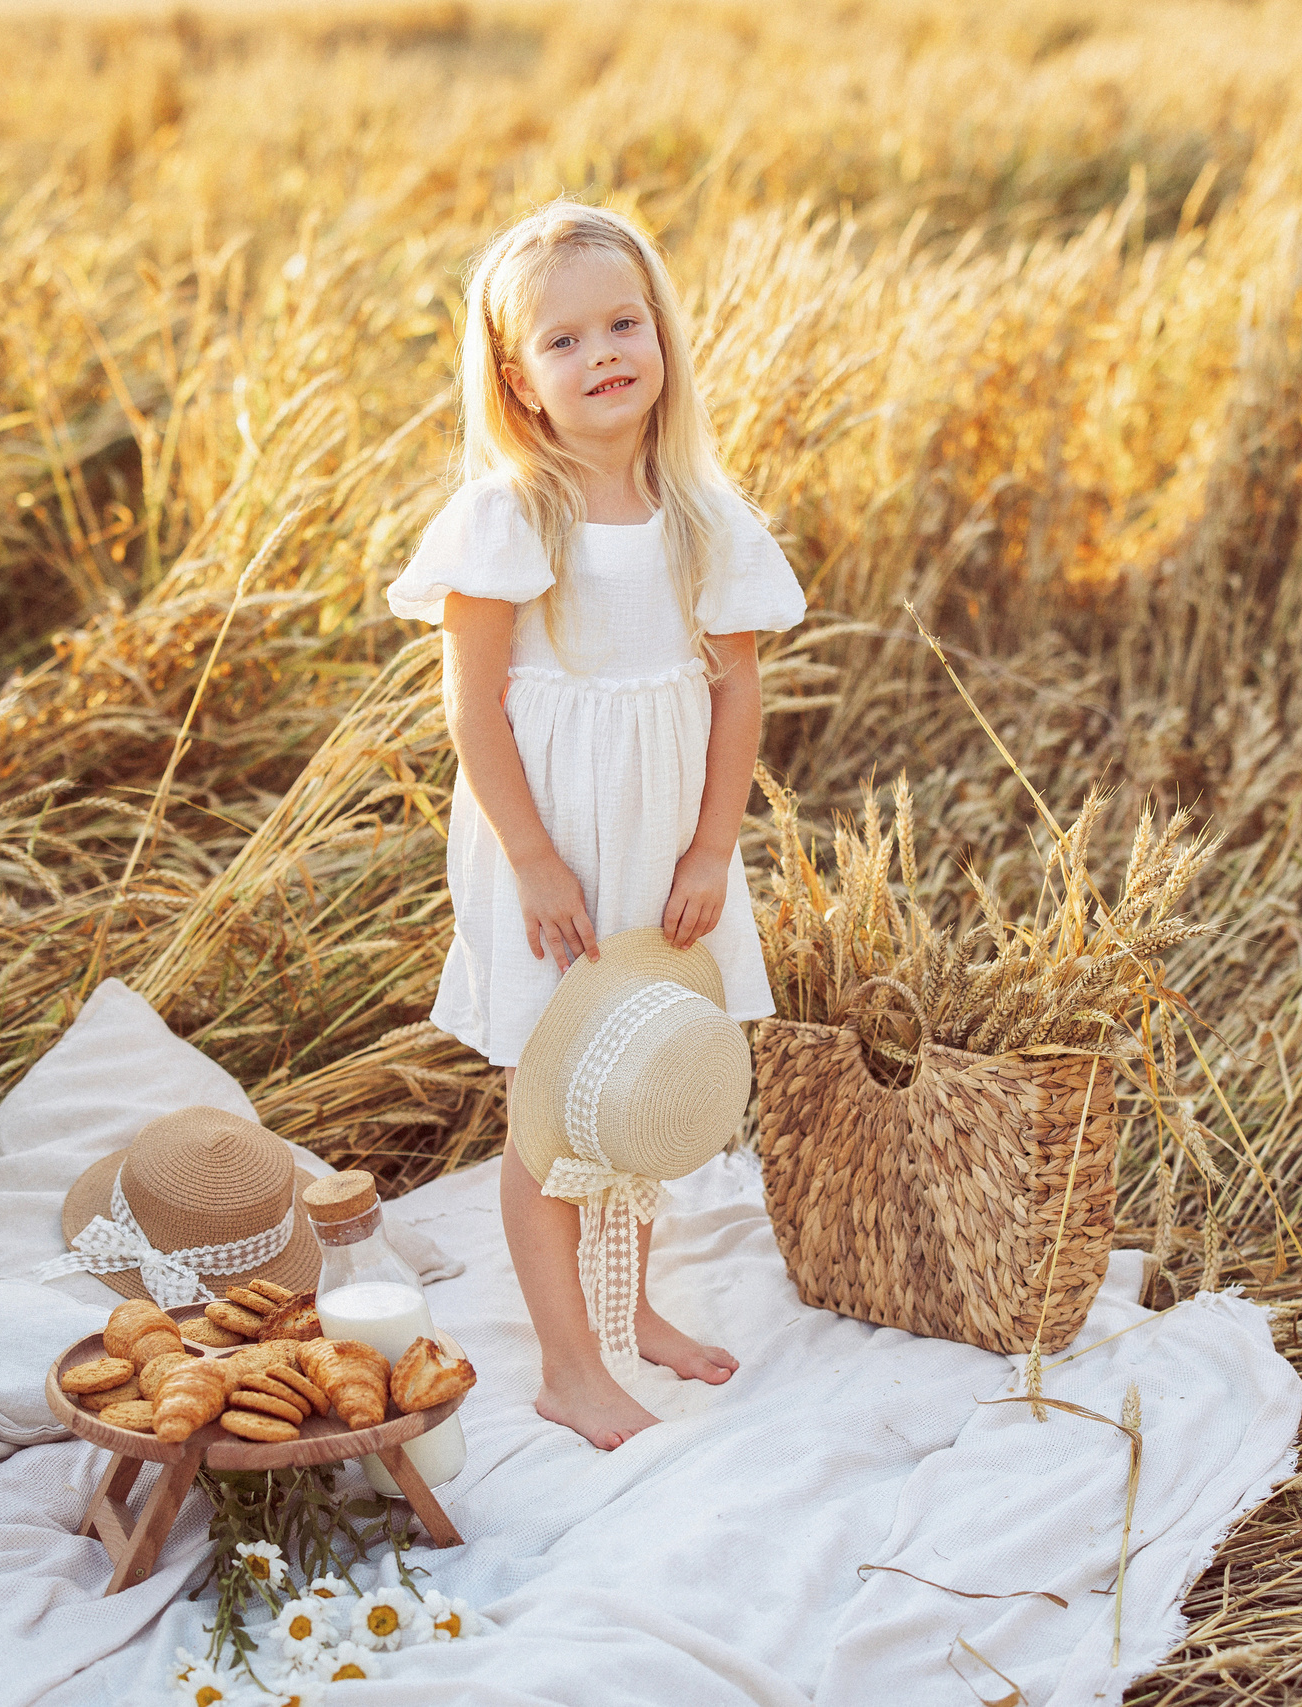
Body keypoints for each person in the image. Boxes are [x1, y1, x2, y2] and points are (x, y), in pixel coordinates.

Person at [386, 201, 806, 1450]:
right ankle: (572, 1364)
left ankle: (634, 1315)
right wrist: (530, 860)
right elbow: (471, 704)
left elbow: (737, 694)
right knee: (553, 1105)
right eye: (563, 340)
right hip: (550, 851)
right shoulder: (508, 516)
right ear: (517, 378)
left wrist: (712, 850)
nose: (603, 352)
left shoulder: (705, 518)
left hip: (664, 843)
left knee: (637, 1084)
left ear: (661, 336)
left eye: (623, 322)